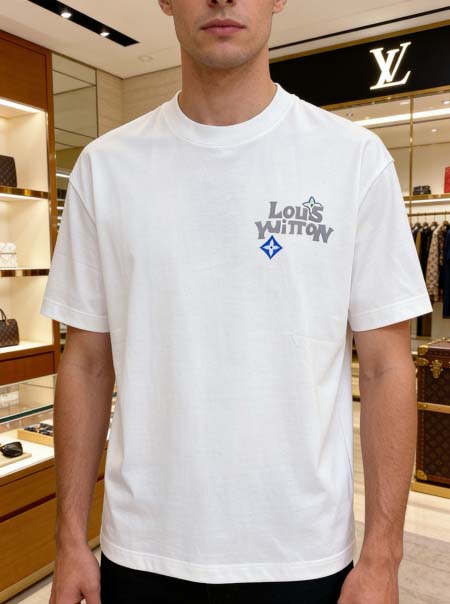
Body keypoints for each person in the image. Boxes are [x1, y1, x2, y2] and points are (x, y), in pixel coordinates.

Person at [41, 1, 433, 603]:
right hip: (144, 550)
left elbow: (386, 367)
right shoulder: (106, 168)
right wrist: (70, 538)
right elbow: (88, 363)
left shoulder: (353, 160)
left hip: (301, 554)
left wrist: (384, 554)